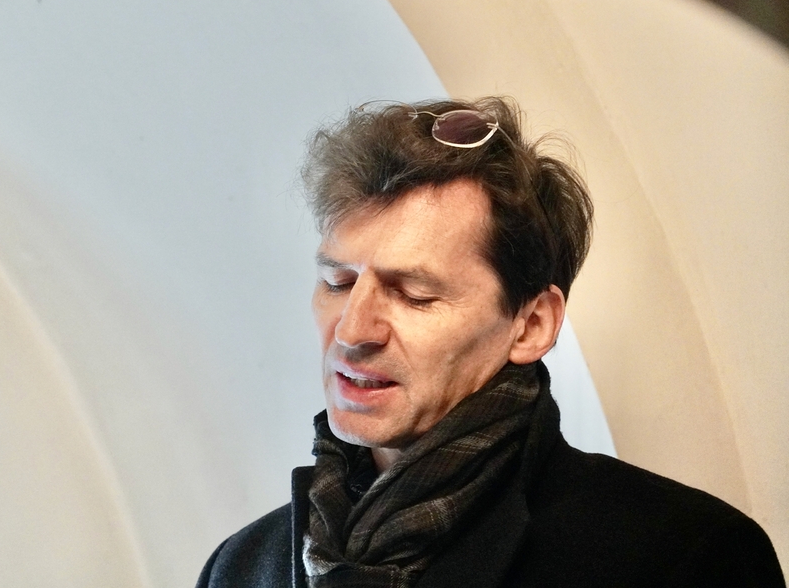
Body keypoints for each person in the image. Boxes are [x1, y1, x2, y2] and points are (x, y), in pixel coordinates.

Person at [195, 98, 785, 588]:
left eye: (414, 294)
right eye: (338, 283)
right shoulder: (242, 566)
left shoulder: (682, 559)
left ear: (531, 326)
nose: (352, 331)